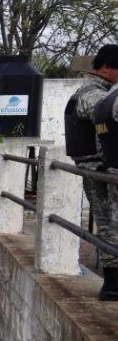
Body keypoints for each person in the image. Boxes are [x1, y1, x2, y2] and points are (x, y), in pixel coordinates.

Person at [66, 44, 118, 300]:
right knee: (110, 223)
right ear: (106, 67)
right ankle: (112, 284)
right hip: (99, 169)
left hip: (97, 167)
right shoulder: (94, 94)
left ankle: (112, 283)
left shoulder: (95, 91)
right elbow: (109, 116)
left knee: (108, 222)